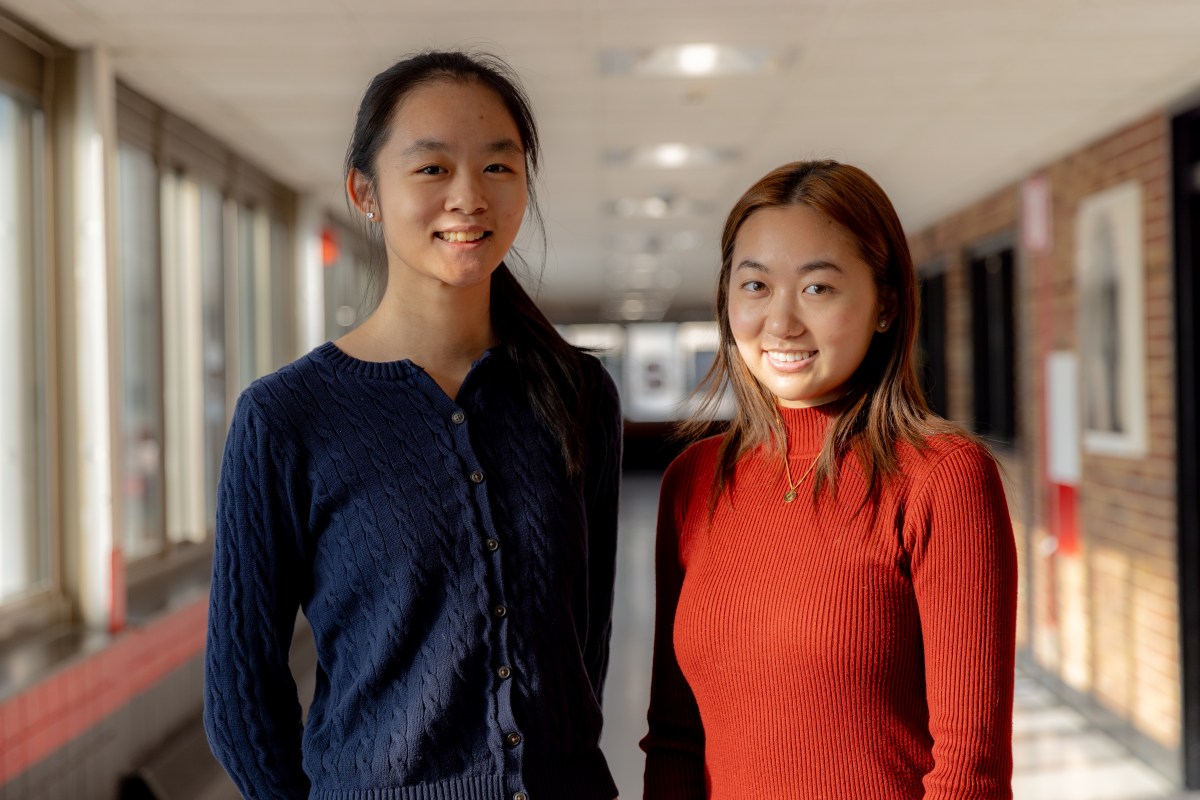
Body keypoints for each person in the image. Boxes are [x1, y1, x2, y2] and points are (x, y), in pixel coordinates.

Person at [204, 50, 622, 800]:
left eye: (499, 167)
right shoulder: (286, 417)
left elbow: (582, 638)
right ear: (364, 191)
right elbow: (241, 692)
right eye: (432, 169)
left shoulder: (576, 390)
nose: (469, 197)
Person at [640, 160, 1017, 799]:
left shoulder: (943, 478)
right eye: (755, 286)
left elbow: (969, 772)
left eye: (818, 288)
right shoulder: (693, 480)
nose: (782, 323)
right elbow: (677, 737)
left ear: (886, 304)